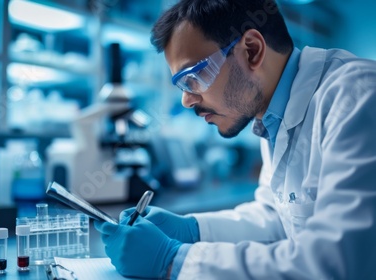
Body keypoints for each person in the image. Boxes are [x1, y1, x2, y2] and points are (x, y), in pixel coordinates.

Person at [94, 0, 376, 279]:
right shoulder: (273, 116)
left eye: (194, 75)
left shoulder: (357, 96)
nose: (186, 100)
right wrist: (193, 229)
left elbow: (340, 261)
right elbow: (279, 220)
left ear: (252, 51)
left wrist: (173, 260)